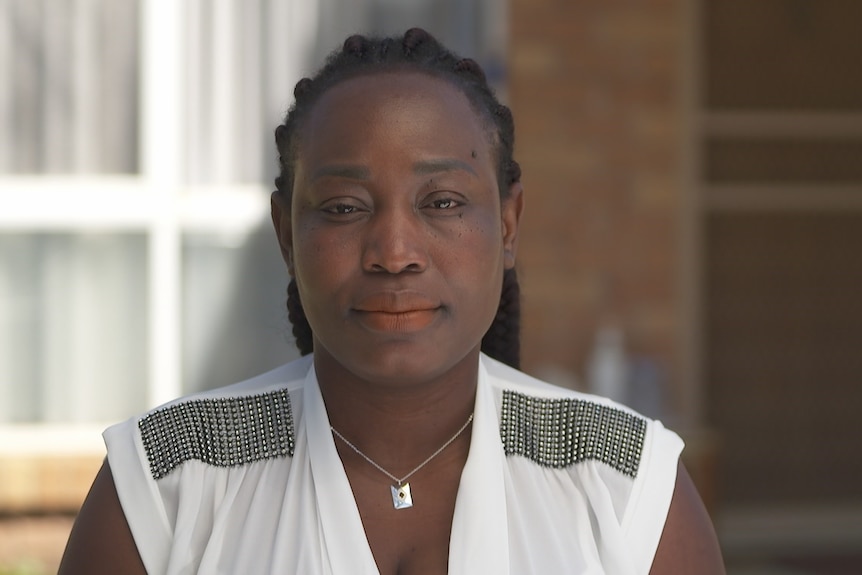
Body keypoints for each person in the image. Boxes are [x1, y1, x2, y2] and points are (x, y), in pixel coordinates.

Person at [59, 28, 724, 574]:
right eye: (345, 207)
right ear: (288, 233)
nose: (395, 250)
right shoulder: (166, 483)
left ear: (510, 223)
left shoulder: (625, 483)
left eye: (442, 203)